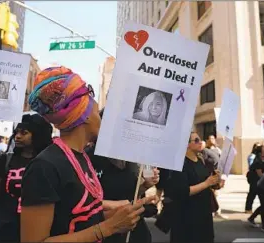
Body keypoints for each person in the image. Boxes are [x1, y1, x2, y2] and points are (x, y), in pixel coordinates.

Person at [20, 66, 154, 242]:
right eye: (95, 107)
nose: (100, 117)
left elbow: (76, 219)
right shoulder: (44, 167)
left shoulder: (81, 156)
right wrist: (108, 227)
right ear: (84, 114)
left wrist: (113, 215)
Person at [86, 109, 160, 243]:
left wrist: (145, 185)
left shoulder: (132, 156)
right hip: (105, 232)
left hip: (136, 231)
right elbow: (83, 202)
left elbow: (130, 192)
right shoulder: (88, 157)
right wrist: (114, 206)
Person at [0, 114, 53, 243]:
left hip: (33, 232)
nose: (17, 136)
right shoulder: (5, 160)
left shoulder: (49, 164)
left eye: (24, 133)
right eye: (16, 132)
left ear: (38, 135)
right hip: (1, 231)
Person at [164, 132, 222, 243]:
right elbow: (183, 191)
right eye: (196, 140)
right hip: (187, 217)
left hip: (203, 215)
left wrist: (215, 182)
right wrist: (207, 183)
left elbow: (205, 182)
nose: (200, 142)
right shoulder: (180, 164)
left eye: (200, 139)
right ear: (186, 144)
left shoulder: (200, 160)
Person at [246, 144, 264, 233]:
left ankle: (252, 218)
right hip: (258, 185)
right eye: (263, 150)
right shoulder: (257, 162)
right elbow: (261, 175)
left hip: (262, 185)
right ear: (260, 152)